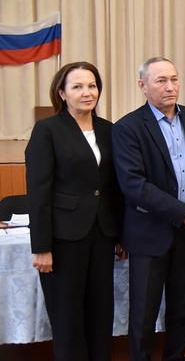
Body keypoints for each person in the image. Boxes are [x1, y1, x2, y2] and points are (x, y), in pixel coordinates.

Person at [112, 57, 185, 361]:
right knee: (144, 310)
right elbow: (134, 184)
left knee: (182, 306)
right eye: (161, 81)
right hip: (149, 233)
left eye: (174, 79)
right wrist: (182, 213)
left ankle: (176, 356)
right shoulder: (128, 127)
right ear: (143, 86)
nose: (170, 87)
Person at [25, 62, 125, 361]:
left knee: (100, 314)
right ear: (62, 92)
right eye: (77, 86)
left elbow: (114, 187)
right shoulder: (48, 129)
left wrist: (120, 235)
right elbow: (38, 192)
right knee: (68, 317)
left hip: (102, 234)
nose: (86, 92)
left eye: (92, 86)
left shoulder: (108, 129)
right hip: (63, 238)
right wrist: (41, 247)